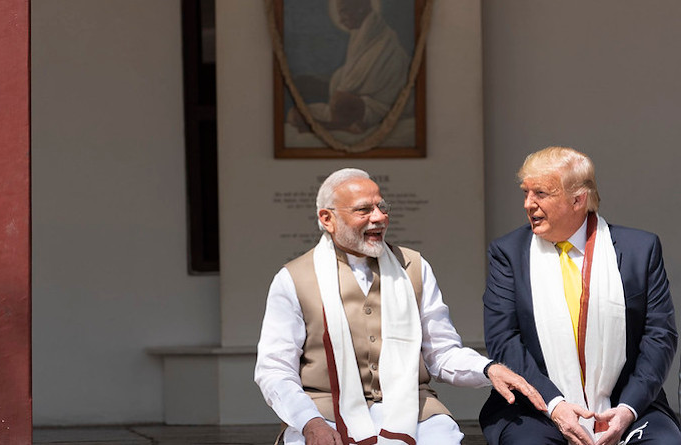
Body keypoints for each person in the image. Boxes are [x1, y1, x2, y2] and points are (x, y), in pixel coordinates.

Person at [255, 168, 546, 445]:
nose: (379, 217)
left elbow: (441, 352)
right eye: (364, 210)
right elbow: (275, 370)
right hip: (324, 413)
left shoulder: (413, 267)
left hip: (415, 410)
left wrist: (488, 369)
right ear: (327, 218)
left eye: (382, 207)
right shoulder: (293, 278)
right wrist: (309, 422)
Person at [480, 147, 681, 445]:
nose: (528, 204)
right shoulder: (508, 253)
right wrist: (555, 406)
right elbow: (503, 340)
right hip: (538, 407)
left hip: (630, 403)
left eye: (540, 194)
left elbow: (659, 336)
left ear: (578, 199)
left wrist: (627, 410)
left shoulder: (640, 250)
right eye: (525, 192)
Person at [287, 0, 413, 135]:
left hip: (378, 107)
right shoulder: (359, 36)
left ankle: (329, 126)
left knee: (340, 101)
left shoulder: (383, 40)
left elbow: (355, 87)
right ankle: (339, 127)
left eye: (344, 12)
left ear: (360, 8)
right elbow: (348, 82)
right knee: (294, 114)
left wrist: (341, 96)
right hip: (350, 109)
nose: (340, 20)